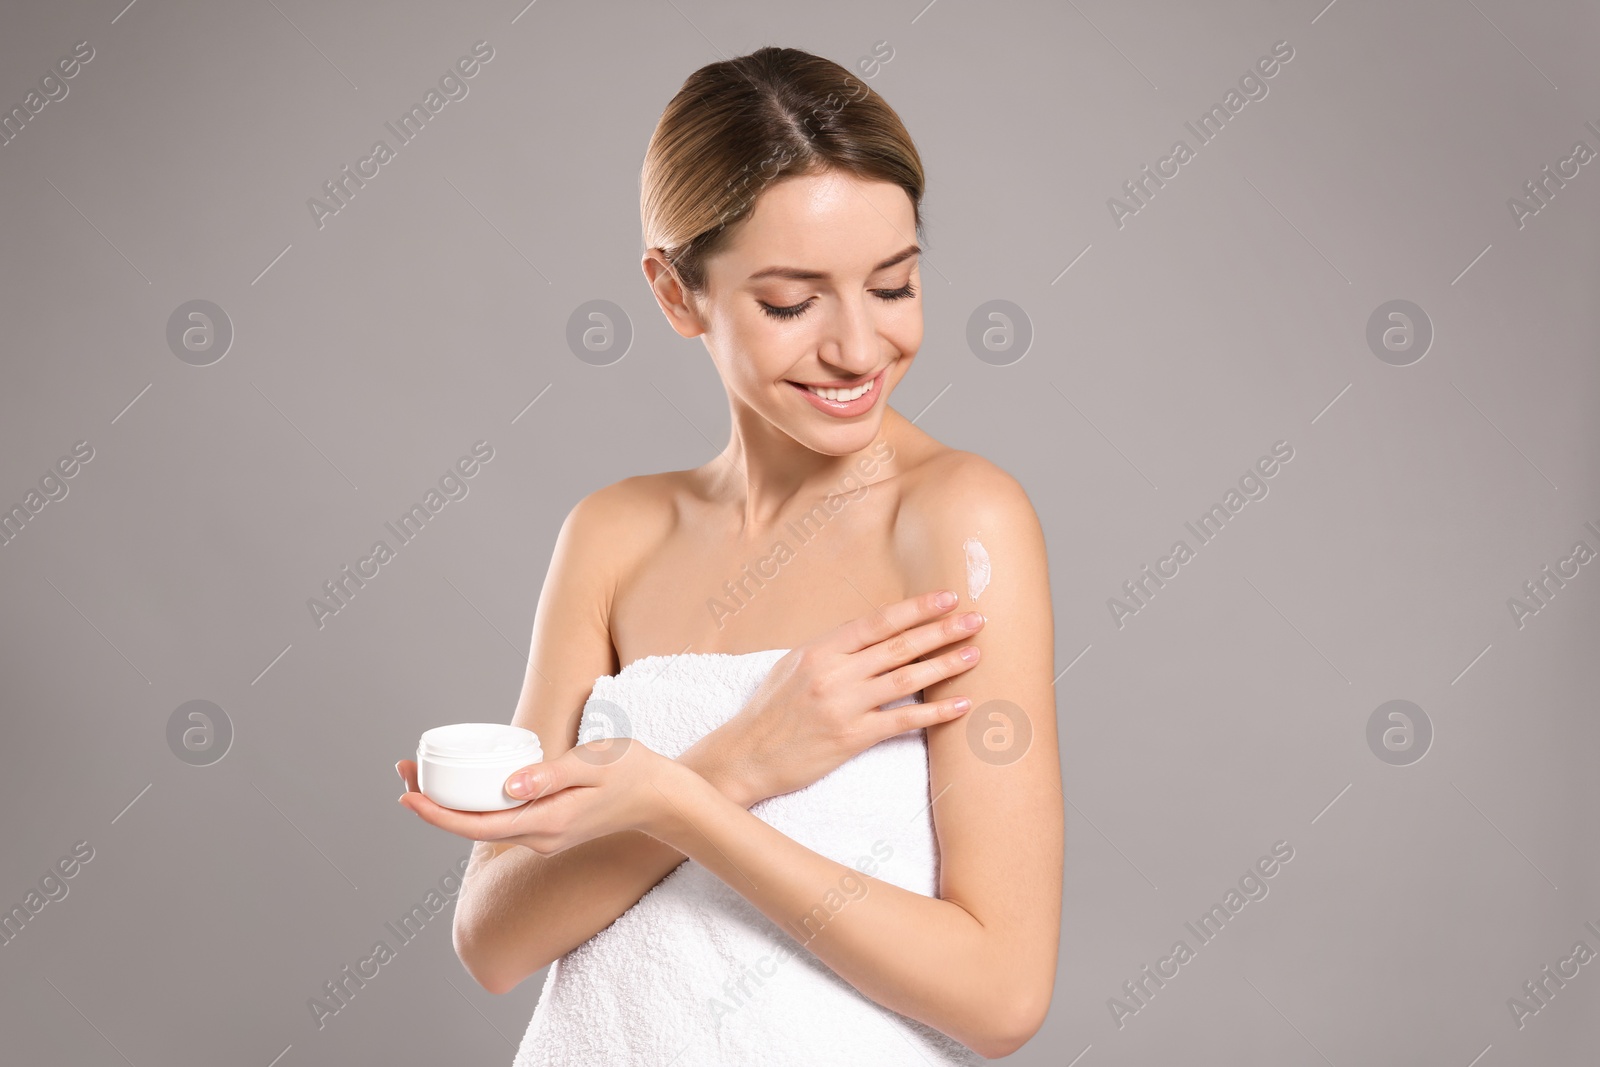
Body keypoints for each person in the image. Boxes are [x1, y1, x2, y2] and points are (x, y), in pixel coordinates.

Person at [396, 44, 1062, 1064]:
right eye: (792, 303)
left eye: (893, 284)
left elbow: (1002, 993)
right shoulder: (613, 534)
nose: (856, 346)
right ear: (675, 291)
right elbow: (493, 939)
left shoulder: (958, 522)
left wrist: (680, 802)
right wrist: (735, 759)